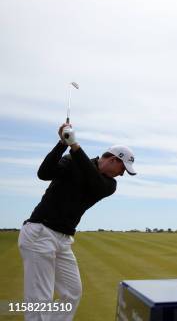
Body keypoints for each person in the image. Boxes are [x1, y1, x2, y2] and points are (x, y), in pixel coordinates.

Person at [18, 123, 136, 320]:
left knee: (72, 292)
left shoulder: (109, 184)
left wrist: (75, 145)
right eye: (123, 168)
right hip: (40, 232)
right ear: (114, 160)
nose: (122, 174)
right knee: (40, 299)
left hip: (63, 240)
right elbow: (44, 173)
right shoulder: (72, 159)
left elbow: (93, 180)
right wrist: (62, 144)